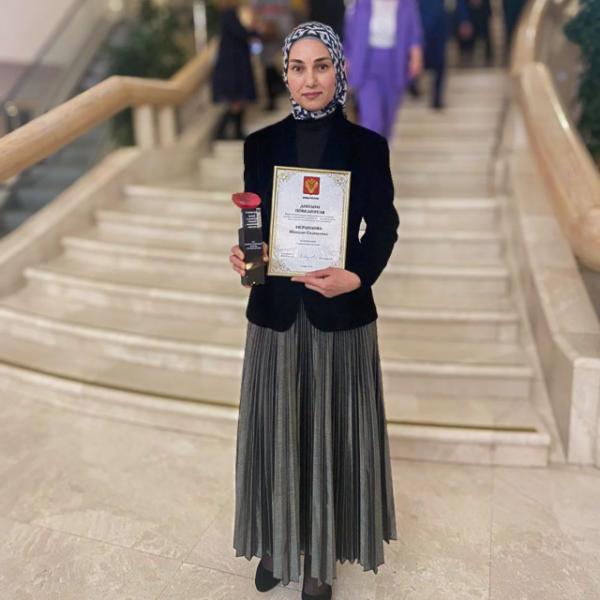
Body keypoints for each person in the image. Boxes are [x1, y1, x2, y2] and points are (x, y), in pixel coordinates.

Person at [229, 21, 398, 600]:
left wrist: (358, 274)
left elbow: (385, 227)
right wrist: (246, 256)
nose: (310, 79)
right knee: (278, 433)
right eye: (298, 68)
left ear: (338, 71)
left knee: (331, 440)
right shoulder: (260, 145)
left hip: (338, 312)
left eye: (321, 66)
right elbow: (255, 226)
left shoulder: (367, 147)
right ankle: (278, 546)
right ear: (285, 75)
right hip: (276, 312)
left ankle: (320, 560)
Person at [344, 0, 424, 139]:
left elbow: (414, 33)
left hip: (395, 65)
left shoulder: (407, 4)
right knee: (372, 121)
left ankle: (380, 150)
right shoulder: (361, 4)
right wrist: (346, 60)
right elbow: (350, 35)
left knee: (387, 122)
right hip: (366, 66)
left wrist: (416, 55)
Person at [412, 0, 472, 109]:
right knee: (420, 59)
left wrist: (464, 19)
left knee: (440, 62)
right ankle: (413, 84)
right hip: (420, 23)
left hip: (439, 24)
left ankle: (437, 98)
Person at [212, 0, 259, 139]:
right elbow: (241, 33)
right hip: (234, 66)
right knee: (236, 100)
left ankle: (235, 131)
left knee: (239, 101)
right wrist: (256, 31)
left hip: (236, 64)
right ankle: (223, 132)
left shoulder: (229, 15)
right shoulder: (229, 15)